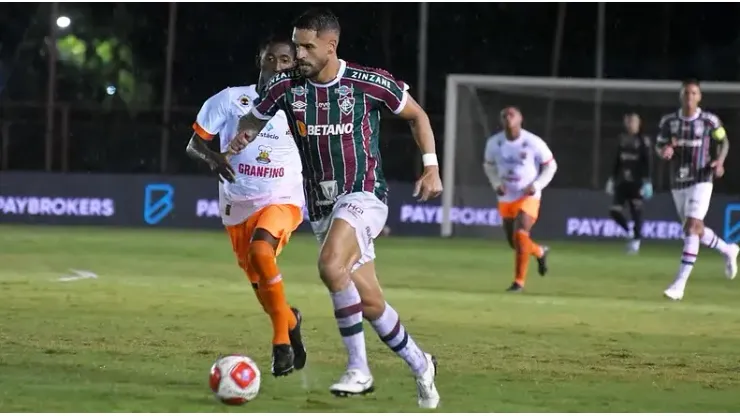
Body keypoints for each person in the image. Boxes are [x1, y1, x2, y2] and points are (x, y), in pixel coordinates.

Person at [225, 8, 443, 409]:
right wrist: (240, 138)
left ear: (331, 46)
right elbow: (253, 121)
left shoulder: (368, 83)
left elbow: (417, 115)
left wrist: (430, 167)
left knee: (329, 267)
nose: (299, 53)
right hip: (323, 209)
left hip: (364, 195)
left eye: (308, 46)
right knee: (372, 302)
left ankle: (358, 368)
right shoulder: (284, 88)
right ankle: (421, 363)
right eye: (296, 45)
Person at [185, 36, 307, 377]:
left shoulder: (302, 104)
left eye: (286, 60)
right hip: (237, 204)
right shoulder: (230, 99)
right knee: (259, 282)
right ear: (261, 60)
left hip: (282, 198)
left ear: (294, 66)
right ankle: (290, 319)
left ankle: (281, 344)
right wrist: (212, 159)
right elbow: (195, 144)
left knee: (261, 254)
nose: (279, 66)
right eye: (273, 58)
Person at [656, 79, 739, 301]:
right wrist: (664, 151)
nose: (690, 97)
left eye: (694, 93)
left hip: (702, 177)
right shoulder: (669, 122)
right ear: (681, 96)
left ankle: (679, 285)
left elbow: (724, 142)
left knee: (692, 227)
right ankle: (728, 249)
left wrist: (720, 162)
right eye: (686, 93)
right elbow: (659, 145)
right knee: (695, 229)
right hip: (678, 181)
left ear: (699, 97)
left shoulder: (709, 121)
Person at [483, 107, 558, 292]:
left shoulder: (533, 142)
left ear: (520, 119)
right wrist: (495, 183)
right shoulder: (494, 143)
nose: (508, 118)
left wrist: (537, 185)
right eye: (504, 115)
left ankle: (519, 282)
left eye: (512, 115)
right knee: (514, 243)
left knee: (521, 233)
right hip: (507, 196)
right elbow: (489, 166)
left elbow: (551, 166)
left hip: (528, 196)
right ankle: (540, 252)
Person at [605, 112, 653, 254]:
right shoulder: (621, 139)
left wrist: (648, 181)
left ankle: (636, 242)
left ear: (639, 124)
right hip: (622, 182)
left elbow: (648, 162)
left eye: (634, 122)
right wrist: (612, 178)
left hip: (637, 183)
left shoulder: (643, 140)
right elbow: (617, 161)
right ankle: (629, 232)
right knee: (614, 210)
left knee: (636, 212)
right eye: (629, 122)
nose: (631, 124)